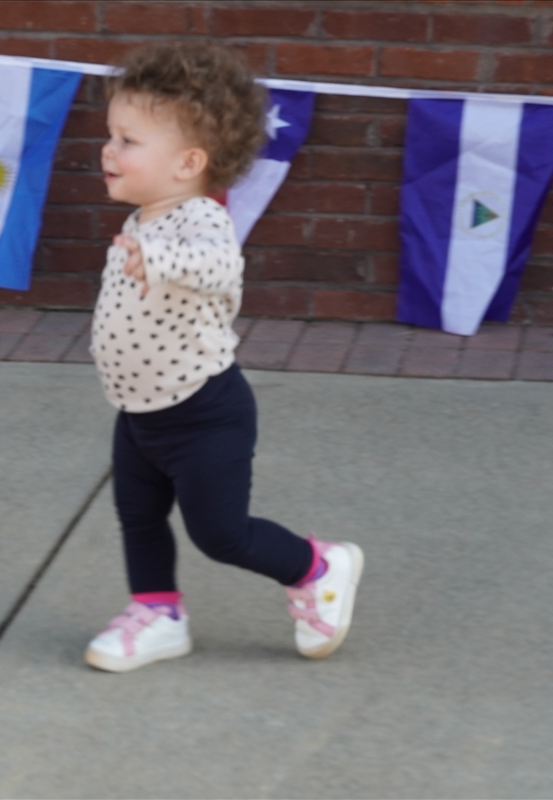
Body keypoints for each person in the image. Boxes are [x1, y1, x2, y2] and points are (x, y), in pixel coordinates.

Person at [84, 41, 364, 673]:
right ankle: (158, 614)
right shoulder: (142, 221)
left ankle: (318, 568)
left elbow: (220, 267)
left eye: (128, 140)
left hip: (204, 414)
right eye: (110, 135)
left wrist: (160, 258)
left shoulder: (199, 222)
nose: (108, 150)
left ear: (188, 163)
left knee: (221, 534)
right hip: (141, 412)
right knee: (138, 516)